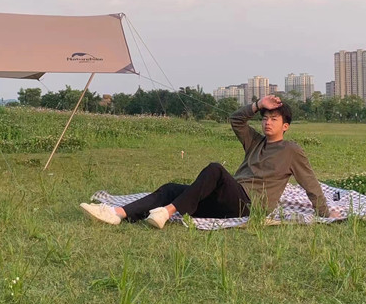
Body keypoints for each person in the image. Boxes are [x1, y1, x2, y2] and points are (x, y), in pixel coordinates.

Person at [80, 95, 339, 228]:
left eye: (273, 119)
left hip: (249, 206)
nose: (267, 123)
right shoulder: (255, 141)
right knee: (171, 188)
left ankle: (167, 212)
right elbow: (236, 120)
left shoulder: (291, 151)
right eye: (265, 118)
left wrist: (325, 212)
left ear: (286, 126)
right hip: (228, 200)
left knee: (215, 169)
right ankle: (117, 214)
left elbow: (310, 183)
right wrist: (258, 104)